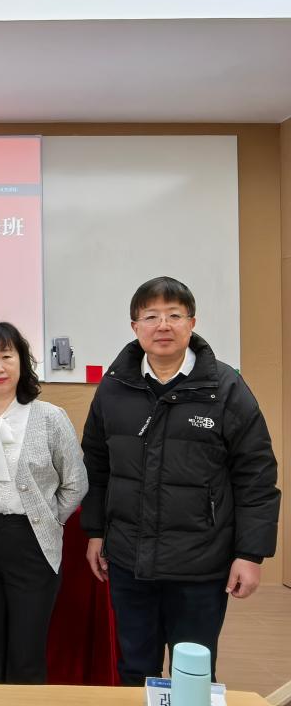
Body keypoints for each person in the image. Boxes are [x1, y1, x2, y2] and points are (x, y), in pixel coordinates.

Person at [81, 277, 280, 684]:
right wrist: (96, 532)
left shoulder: (225, 388)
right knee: (134, 670)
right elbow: (97, 467)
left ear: (192, 323)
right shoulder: (114, 388)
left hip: (201, 564)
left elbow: (256, 475)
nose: (163, 325)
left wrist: (250, 554)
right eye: (151, 316)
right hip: (129, 560)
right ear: (135, 326)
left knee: (193, 672)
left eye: (174, 315)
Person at [0, 321, 87, 684]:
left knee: (27, 655)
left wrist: (48, 518)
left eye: (7, 356)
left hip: (32, 544)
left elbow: (76, 483)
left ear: (22, 362)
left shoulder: (50, 417)